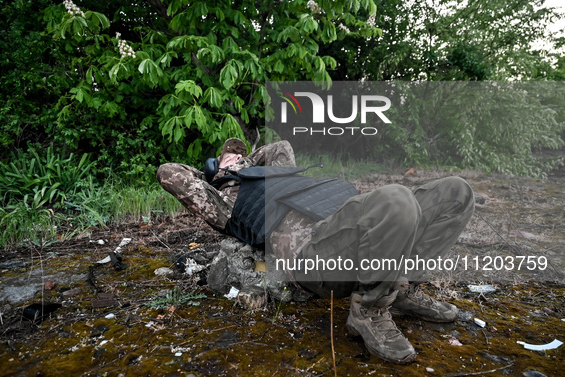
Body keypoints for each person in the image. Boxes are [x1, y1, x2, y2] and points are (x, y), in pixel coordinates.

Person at [157, 138, 474, 364]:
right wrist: (221, 173)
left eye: (241, 154)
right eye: (228, 156)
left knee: (456, 193)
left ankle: (401, 284)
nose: (236, 156)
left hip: (351, 229)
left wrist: (246, 162)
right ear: (215, 172)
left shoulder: (278, 171)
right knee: (397, 200)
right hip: (315, 257)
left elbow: (280, 146)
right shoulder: (222, 201)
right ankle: (368, 311)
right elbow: (168, 173)